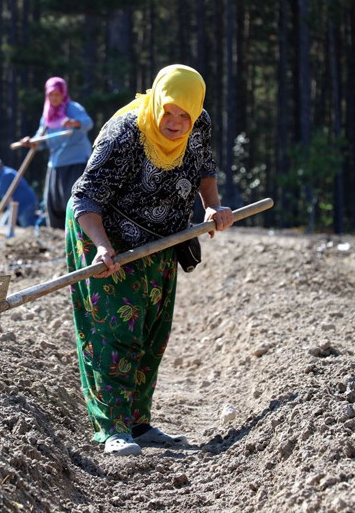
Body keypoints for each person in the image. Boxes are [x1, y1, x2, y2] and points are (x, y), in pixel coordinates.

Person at [65, 64, 235, 456]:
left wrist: (212, 208)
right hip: (104, 236)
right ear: (157, 100)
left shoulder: (199, 123)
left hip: (161, 240)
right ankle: (113, 428)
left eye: (184, 115)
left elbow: (204, 168)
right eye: (169, 111)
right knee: (114, 331)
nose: (175, 123)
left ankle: (139, 424)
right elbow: (85, 198)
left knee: (151, 331)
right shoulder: (124, 133)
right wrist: (103, 247)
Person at [16, 77, 93, 230]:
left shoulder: (73, 108)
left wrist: (73, 123)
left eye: (57, 94)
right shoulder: (47, 115)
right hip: (56, 163)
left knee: (73, 201)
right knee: (53, 204)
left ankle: (79, 233)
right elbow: (41, 140)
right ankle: (58, 236)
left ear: (63, 94)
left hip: (76, 162)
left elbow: (88, 123)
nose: (54, 98)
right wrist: (31, 142)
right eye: (51, 94)